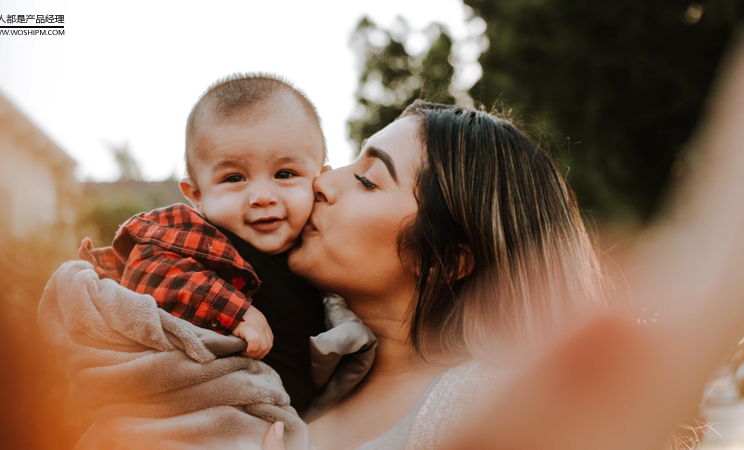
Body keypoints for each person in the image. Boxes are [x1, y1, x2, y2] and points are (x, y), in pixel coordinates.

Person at [262, 99, 605, 449]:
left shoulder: (492, 413)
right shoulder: (287, 362)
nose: (323, 180)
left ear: (448, 259)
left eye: (367, 180)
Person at [78, 73, 330, 416]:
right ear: (196, 195)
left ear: (321, 179)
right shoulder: (200, 236)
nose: (261, 197)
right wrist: (234, 311)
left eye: (285, 174)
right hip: (203, 416)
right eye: (233, 178)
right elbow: (148, 269)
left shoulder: (322, 249)